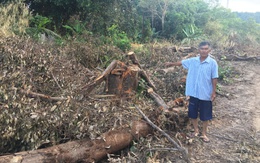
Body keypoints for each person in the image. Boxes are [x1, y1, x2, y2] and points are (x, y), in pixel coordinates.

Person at [165, 41, 218, 143]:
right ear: (199, 50)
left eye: (206, 49)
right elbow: (182, 63)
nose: (204, 51)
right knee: (192, 114)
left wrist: (213, 92)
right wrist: (171, 64)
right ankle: (196, 131)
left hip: (205, 93)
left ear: (209, 50)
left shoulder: (212, 63)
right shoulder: (193, 61)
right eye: (202, 49)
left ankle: (204, 134)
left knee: (205, 115)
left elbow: (214, 78)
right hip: (193, 93)